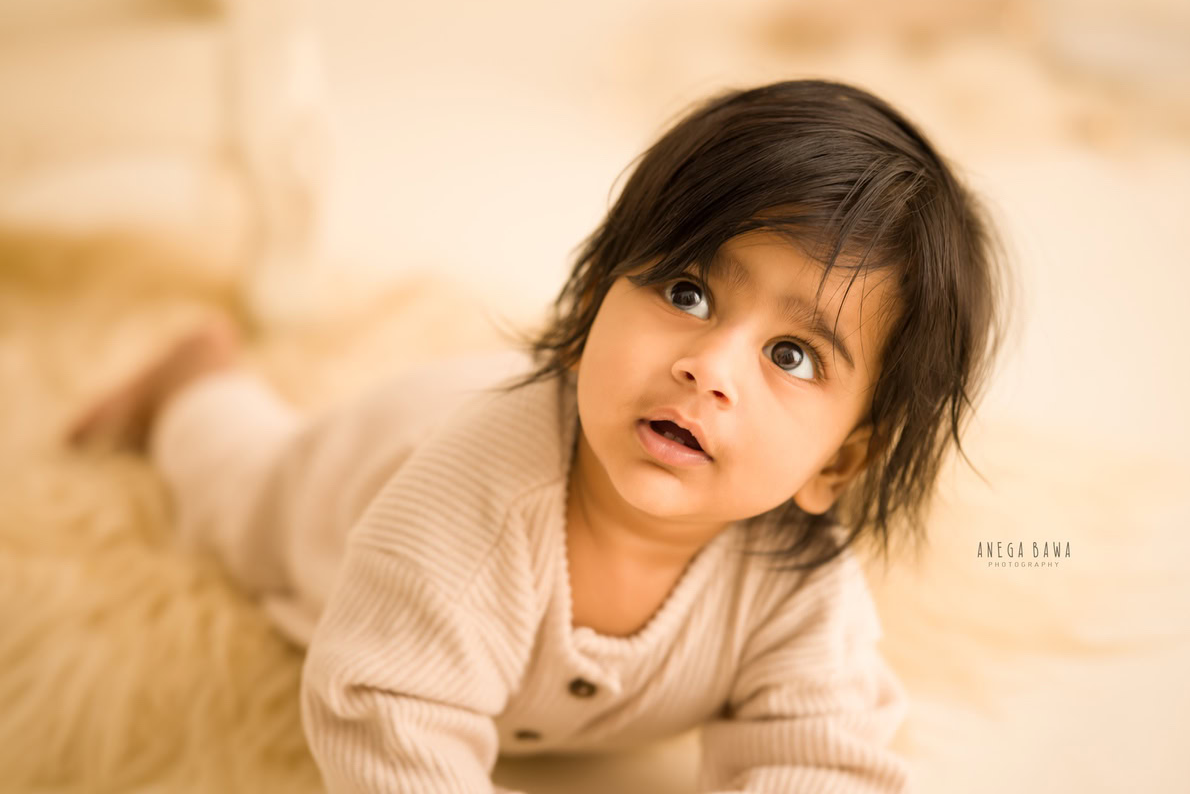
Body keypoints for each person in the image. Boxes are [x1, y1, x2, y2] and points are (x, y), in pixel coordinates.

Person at [68, 79, 1005, 793]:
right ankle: (193, 377)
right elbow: (392, 724)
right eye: (687, 292)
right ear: (598, 300)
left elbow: (825, 756)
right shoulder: (464, 518)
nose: (709, 366)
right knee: (234, 481)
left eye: (794, 356)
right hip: (362, 469)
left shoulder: (799, 592)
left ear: (837, 460)